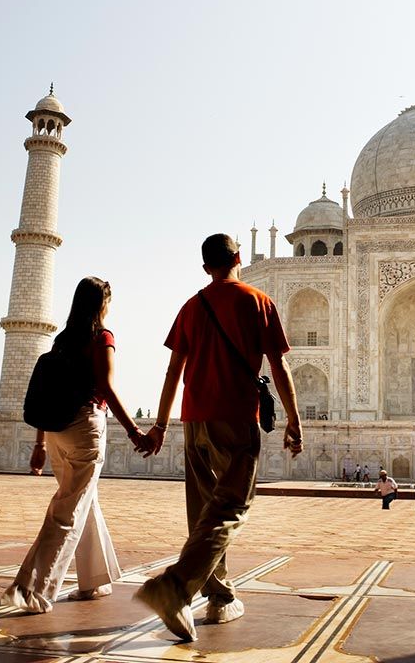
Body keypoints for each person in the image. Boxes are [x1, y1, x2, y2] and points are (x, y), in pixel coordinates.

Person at [134, 234, 302, 642]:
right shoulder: (257, 301)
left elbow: (173, 371)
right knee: (231, 507)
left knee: (205, 511)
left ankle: (219, 595)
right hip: (235, 417)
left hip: (193, 418)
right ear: (240, 258)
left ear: (206, 267)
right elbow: (278, 367)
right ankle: (175, 588)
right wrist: (294, 419)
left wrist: (160, 424)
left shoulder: (191, 307)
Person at [1, 277, 147, 614]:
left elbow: (46, 391)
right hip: (84, 427)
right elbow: (107, 388)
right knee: (67, 511)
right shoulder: (102, 337)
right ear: (102, 304)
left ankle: (95, 580)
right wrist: (134, 431)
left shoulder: (63, 339)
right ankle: (33, 589)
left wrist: (39, 443)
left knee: (83, 504)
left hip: (55, 432)